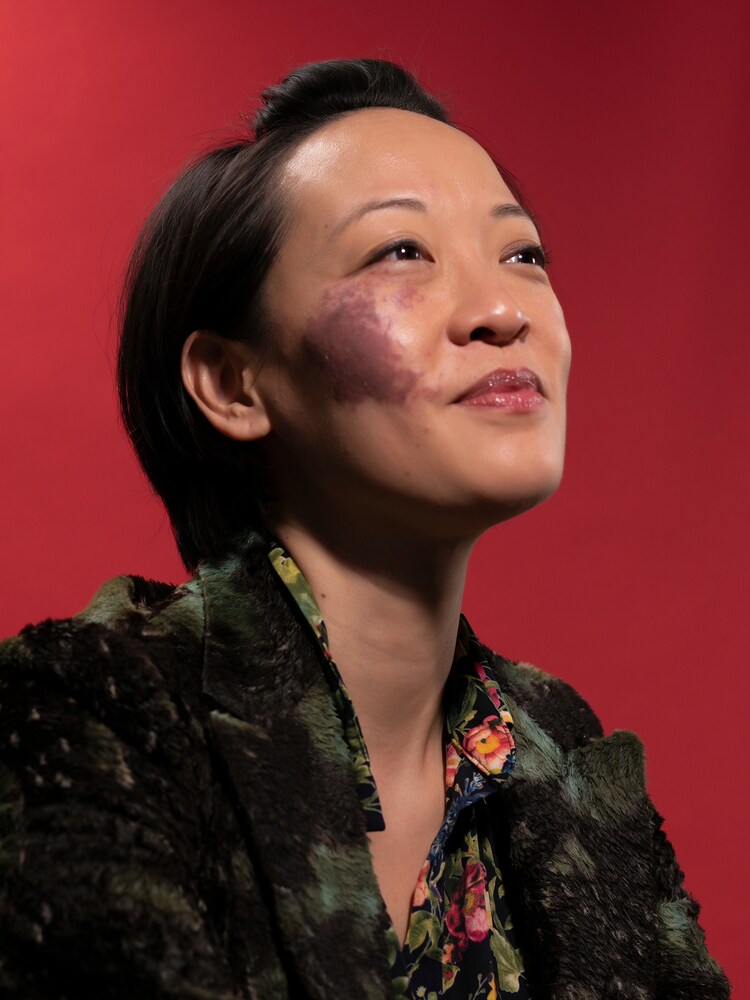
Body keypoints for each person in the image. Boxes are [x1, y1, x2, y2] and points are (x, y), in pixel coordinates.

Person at [0, 58, 729, 999]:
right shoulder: (86, 715)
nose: (503, 312)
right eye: (402, 251)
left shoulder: (564, 755)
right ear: (232, 383)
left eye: (522, 255)